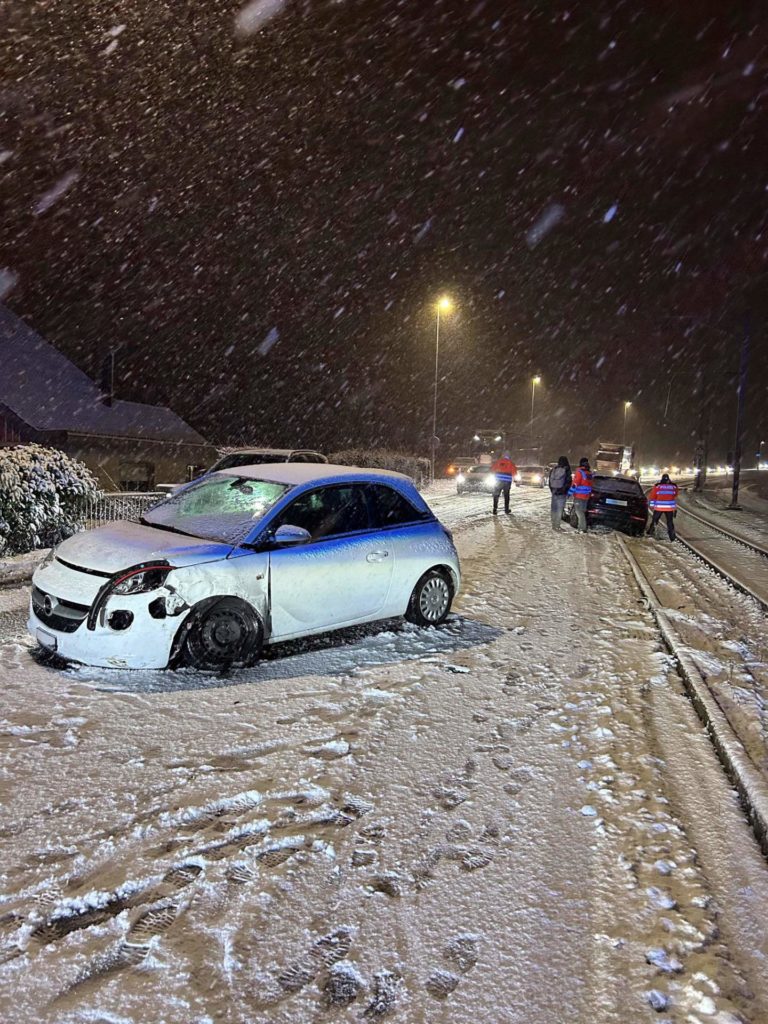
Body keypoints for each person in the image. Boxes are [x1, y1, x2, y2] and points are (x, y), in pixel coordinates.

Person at [647, 473, 678, 540]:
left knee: (655, 520)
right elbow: (675, 495)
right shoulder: (673, 487)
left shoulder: (657, 486)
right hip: (669, 508)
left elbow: (652, 496)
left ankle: (651, 532)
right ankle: (672, 537)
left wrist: (652, 506)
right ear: (668, 479)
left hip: (659, 507)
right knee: (670, 522)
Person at [490, 450, 518, 515]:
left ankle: (495, 509)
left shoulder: (498, 462)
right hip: (507, 482)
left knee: (496, 495)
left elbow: (492, 469)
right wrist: (515, 479)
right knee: (506, 496)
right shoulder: (511, 463)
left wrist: (495, 474)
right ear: (509, 456)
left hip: (498, 481)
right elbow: (514, 472)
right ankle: (506, 509)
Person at [548, 455, 572, 530]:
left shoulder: (554, 469)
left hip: (554, 491)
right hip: (562, 493)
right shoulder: (567, 469)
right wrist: (564, 490)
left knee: (554, 508)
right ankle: (557, 526)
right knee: (559, 509)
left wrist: (553, 490)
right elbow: (568, 481)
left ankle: (553, 524)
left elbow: (550, 481)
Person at [569, 457, 593, 533]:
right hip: (586, 496)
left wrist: (569, 493)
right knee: (582, 511)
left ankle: (582, 528)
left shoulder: (580, 472)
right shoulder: (589, 473)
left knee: (579, 512)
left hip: (579, 495)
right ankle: (581, 527)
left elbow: (575, 484)